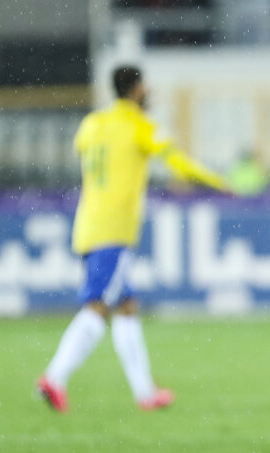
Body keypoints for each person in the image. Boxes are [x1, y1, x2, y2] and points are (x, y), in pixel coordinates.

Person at [36, 65, 231, 412]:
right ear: (138, 89)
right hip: (114, 229)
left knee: (126, 307)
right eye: (147, 87)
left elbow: (83, 151)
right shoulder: (140, 126)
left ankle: (145, 393)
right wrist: (218, 182)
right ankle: (54, 377)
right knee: (97, 308)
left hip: (88, 223)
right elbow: (177, 161)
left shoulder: (92, 124)